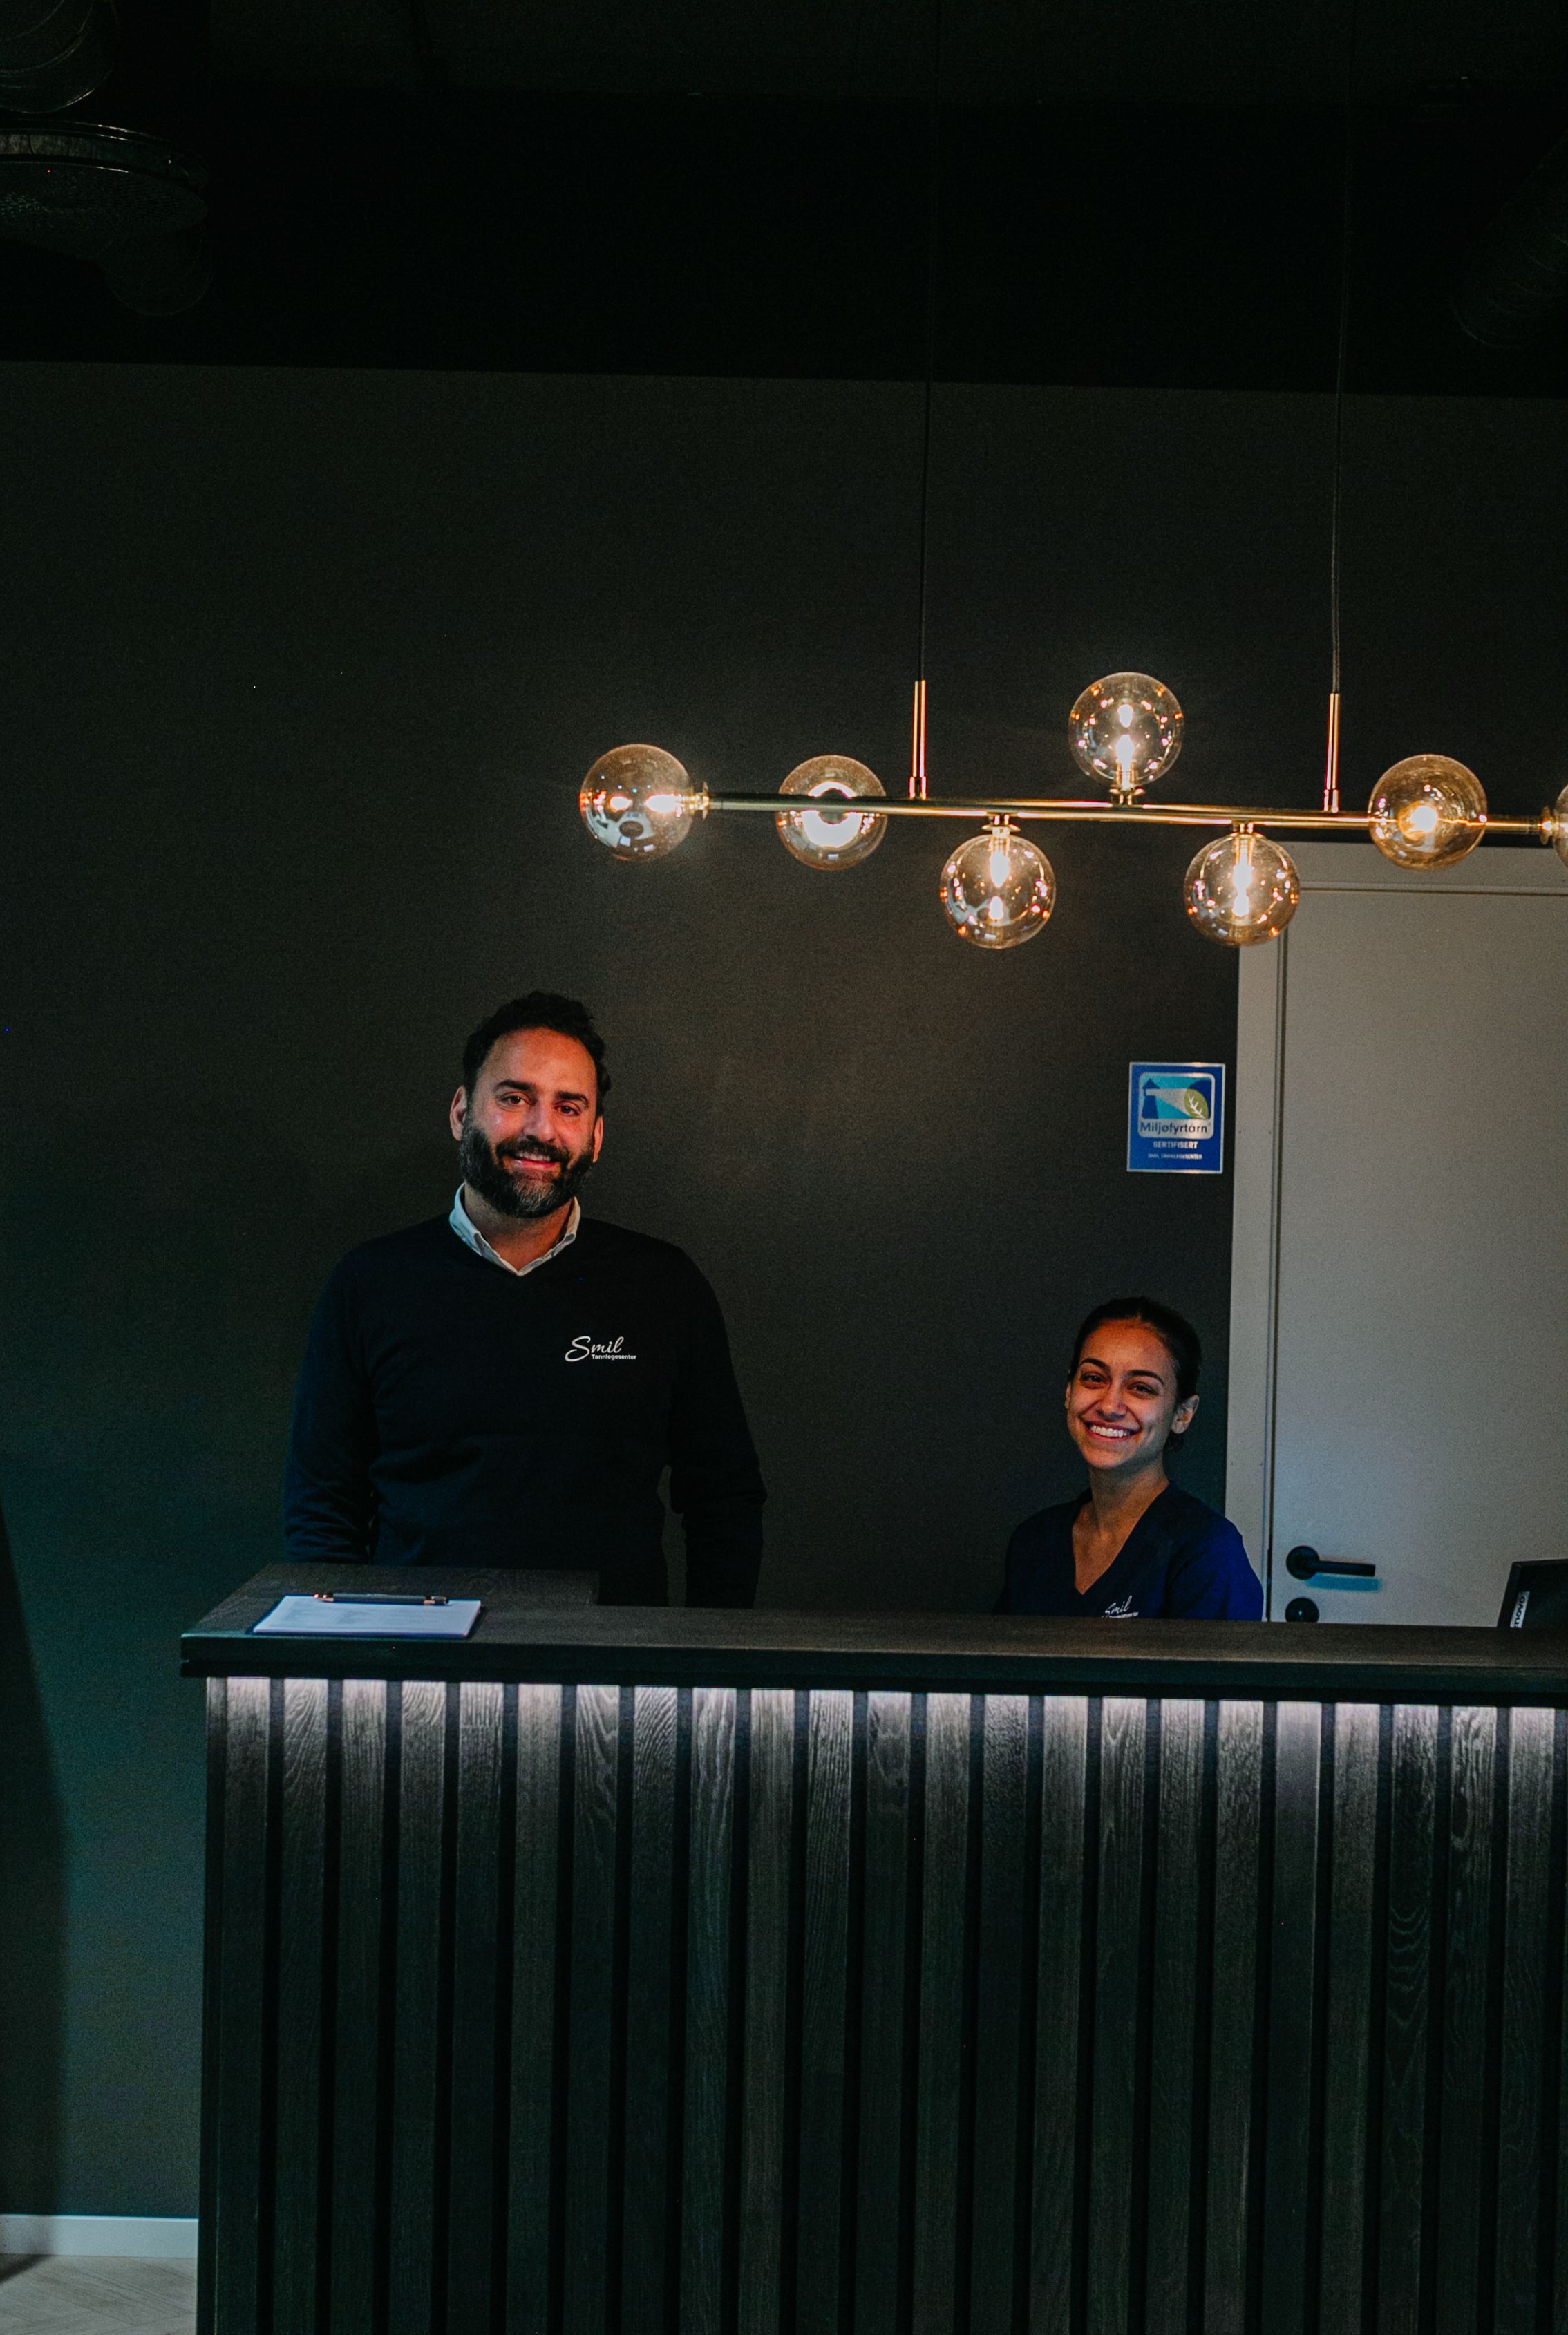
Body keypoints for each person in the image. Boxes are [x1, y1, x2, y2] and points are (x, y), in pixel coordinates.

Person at [284, 992, 765, 1605]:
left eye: (568, 1107)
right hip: (418, 1651)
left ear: (595, 1136)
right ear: (462, 1112)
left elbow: (723, 1497)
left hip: (610, 1654)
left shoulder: (665, 1285)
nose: (541, 1130)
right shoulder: (370, 1283)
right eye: (514, 1098)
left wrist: (703, 1650)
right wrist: (343, 1646)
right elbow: (323, 1504)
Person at [996, 1296, 1261, 1618]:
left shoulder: (1208, 1551)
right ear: (1069, 1391)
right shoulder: (1035, 1541)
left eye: (1141, 1388)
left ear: (1182, 1414)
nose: (1110, 1406)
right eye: (1094, 1378)